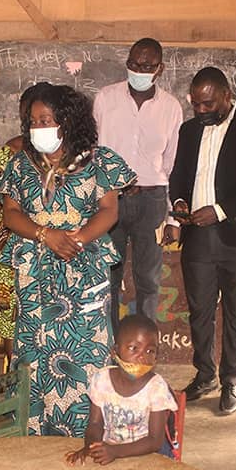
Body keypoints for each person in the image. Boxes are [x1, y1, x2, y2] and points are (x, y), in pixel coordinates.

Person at [0, 84, 135, 437]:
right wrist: (46, 236)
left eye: (46, 119)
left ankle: (87, 430)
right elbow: (10, 214)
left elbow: (109, 210)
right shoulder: (20, 165)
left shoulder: (99, 161)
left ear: (67, 121)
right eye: (33, 121)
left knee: (86, 348)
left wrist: (75, 239)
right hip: (34, 270)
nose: (38, 127)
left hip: (83, 266)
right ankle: (33, 431)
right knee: (35, 348)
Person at [164, 67, 236, 415]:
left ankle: (232, 381)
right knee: (199, 309)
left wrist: (221, 210)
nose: (200, 110)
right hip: (197, 234)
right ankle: (204, 373)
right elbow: (179, 175)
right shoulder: (189, 129)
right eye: (195, 103)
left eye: (208, 103)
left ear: (227, 95)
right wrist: (179, 202)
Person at [94, 37, 184, 332]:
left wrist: (173, 217)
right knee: (108, 276)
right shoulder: (106, 99)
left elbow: (172, 164)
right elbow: (93, 153)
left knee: (149, 279)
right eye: (134, 64)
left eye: (147, 66)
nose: (139, 70)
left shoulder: (171, 107)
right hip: (111, 199)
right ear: (127, 63)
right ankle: (108, 346)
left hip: (153, 200)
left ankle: (144, 348)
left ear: (159, 69)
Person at [0, 82, 53, 359]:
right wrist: (15, 221)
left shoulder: (11, 150)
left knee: (12, 322)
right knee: (26, 321)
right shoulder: (14, 152)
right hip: (42, 249)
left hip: (17, 249)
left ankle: (15, 392)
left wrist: (11, 222)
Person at [64, 313, 177, 465]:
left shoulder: (156, 388)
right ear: (115, 351)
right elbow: (95, 424)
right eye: (133, 348)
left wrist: (115, 452)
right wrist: (91, 447)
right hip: (112, 451)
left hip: (148, 454)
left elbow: (155, 441)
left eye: (150, 351)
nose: (142, 357)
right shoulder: (102, 379)